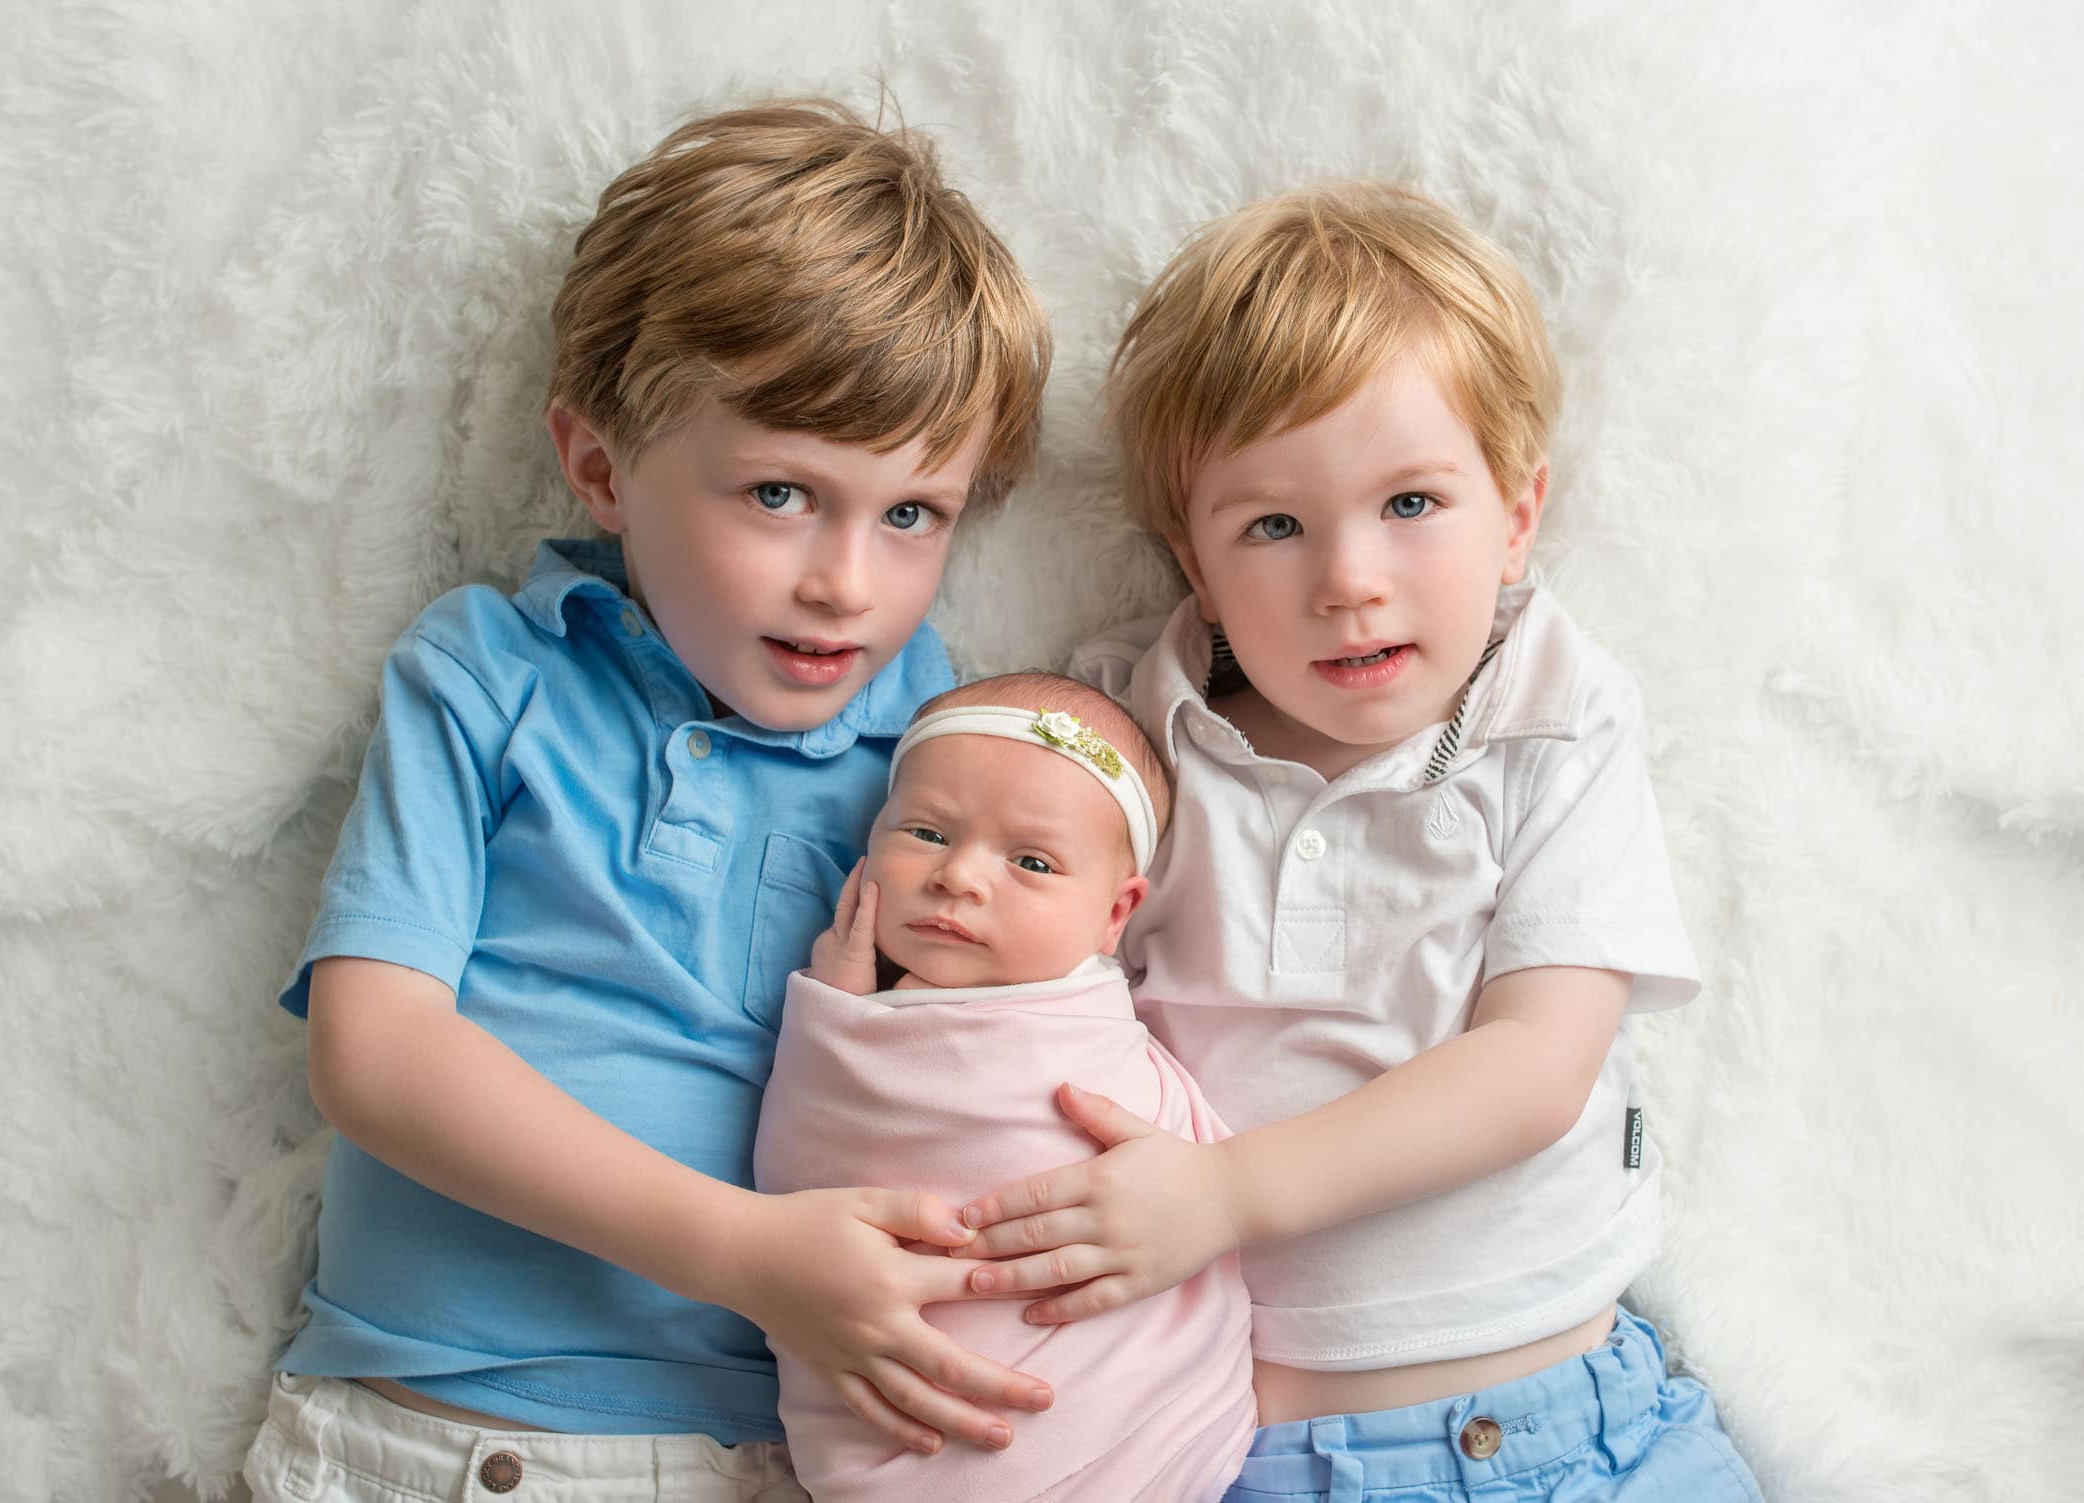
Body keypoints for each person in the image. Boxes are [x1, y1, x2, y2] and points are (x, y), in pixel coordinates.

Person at [242, 99, 1056, 1502]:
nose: (845, 583)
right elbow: (372, 1054)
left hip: (782, 1453)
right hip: (441, 1431)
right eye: (782, 492)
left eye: (914, 513)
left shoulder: (948, 751)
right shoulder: (492, 673)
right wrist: (741, 1249)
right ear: (603, 466)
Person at [955, 183, 1766, 1501]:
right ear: (1194, 565)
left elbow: (1534, 1066)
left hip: (1579, 1427)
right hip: (1253, 1451)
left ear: (1516, 513)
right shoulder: (1123, 747)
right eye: (1273, 525)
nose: (1348, 577)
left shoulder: (1551, 716)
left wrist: (1224, 1194)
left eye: (1412, 503)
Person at [756, 672, 1256, 1502]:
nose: (960, 876)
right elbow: (796, 1178)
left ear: (1114, 912)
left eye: (1032, 861)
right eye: (924, 830)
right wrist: (834, 1024)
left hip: (1140, 1437)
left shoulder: (1102, 1035)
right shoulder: (843, 1031)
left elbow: (1197, 1185)